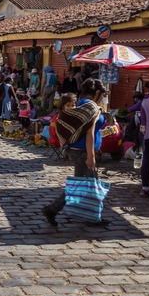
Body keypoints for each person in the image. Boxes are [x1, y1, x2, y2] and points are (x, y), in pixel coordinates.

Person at [42, 79, 109, 227]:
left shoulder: (82, 103)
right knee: (80, 186)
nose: (103, 98)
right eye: (102, 95)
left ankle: (91, 217)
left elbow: (83, 128)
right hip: (82, 153)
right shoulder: (89, 105)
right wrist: (91, 156)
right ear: (97, 92)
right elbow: (90, 132)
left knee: (88, 185)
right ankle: (52, 210)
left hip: (81, 151)